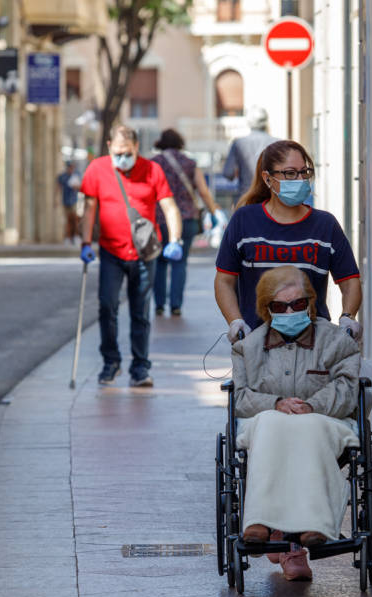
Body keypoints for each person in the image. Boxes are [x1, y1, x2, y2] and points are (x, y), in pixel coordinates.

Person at [232, 265, 361, 581]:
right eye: (280, 306)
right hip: (269, 424)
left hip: (324, 420)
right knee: (269, 423)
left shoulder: (337, 341)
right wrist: (275, 404)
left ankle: (313, 522)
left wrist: (312, 406)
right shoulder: (248, 348)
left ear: (311, 303)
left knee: (308, 427)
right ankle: (260, 520)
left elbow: (347, 389)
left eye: (298, 304)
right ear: (267, 309)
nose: (290, 312)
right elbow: (242, 398)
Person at [214, 139, 363, 344]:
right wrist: (235, 321)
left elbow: (350, 281)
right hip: (256, 343)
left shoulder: (325, 225)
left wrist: (348, 317)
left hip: (315, 346)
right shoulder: (244, 220)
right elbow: (224, 281)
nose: (300, 179)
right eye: (290, 173)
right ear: (268, 178)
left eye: (304, 172)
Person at [79, 125, 184, 387]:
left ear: (137, 147)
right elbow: (89, 207)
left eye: (127, 153)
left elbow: (169, 207)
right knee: (107, 306)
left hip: (144, 253)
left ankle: (140, 367)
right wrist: (85, 242)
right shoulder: (97, 169)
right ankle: (111, 362)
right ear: (109, 147)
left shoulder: (152, 170)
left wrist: (175, 240)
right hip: (111, 251)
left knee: (141, 312)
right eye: (117, 153)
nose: (122, 158)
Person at [151, 128, 219, 316]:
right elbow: (203, 191)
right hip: (187, 218)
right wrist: (214, 211)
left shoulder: (154, 163)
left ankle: (158, 304)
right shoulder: (190, 163)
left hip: (159, 218)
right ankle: (176, 305)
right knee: (179, 263)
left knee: (160, 262)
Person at [222, 106, 279, 209]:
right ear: (266, 121)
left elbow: (228, 173)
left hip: (246, 199)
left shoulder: (238, 143)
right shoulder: (278, 143)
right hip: (272, 200)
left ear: (249, 122)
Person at [57, 161, 81, 245]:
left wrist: (76, 187)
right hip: (66, 200)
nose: (71, 169)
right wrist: (56, 200)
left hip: (74, 200)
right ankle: (68, 237)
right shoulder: (63, 177)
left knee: (75, 219)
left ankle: (76, 236)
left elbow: (81, 187)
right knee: (67, 220)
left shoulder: (76, 175)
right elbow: (58, 187)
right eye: (69, 167)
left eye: (72, 167)